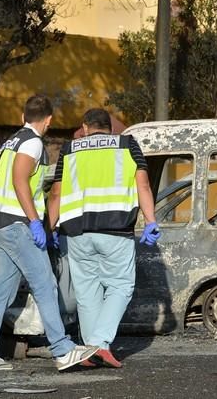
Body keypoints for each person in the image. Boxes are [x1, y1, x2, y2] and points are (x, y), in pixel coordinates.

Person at [0, 95, 98, 371]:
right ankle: (62, 350)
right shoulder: (33, 143)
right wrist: (34, 221)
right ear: (49, 120)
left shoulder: (12, 140)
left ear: (22, 116)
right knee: (46, 284)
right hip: (17, 224)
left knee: (3, 290)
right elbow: (20, 181)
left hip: (0, 222)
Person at [47, 108, 160, 368]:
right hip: (116, 228)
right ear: (110, 128)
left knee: (87, 292)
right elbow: (142, 185)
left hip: (76, 232)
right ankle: (99, 343)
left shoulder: (70, 149)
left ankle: (89, 350)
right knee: (120, 286)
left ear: (85, 127)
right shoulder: (128, 144)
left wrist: (48, 228)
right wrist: (151, 220)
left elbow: (56, 193)